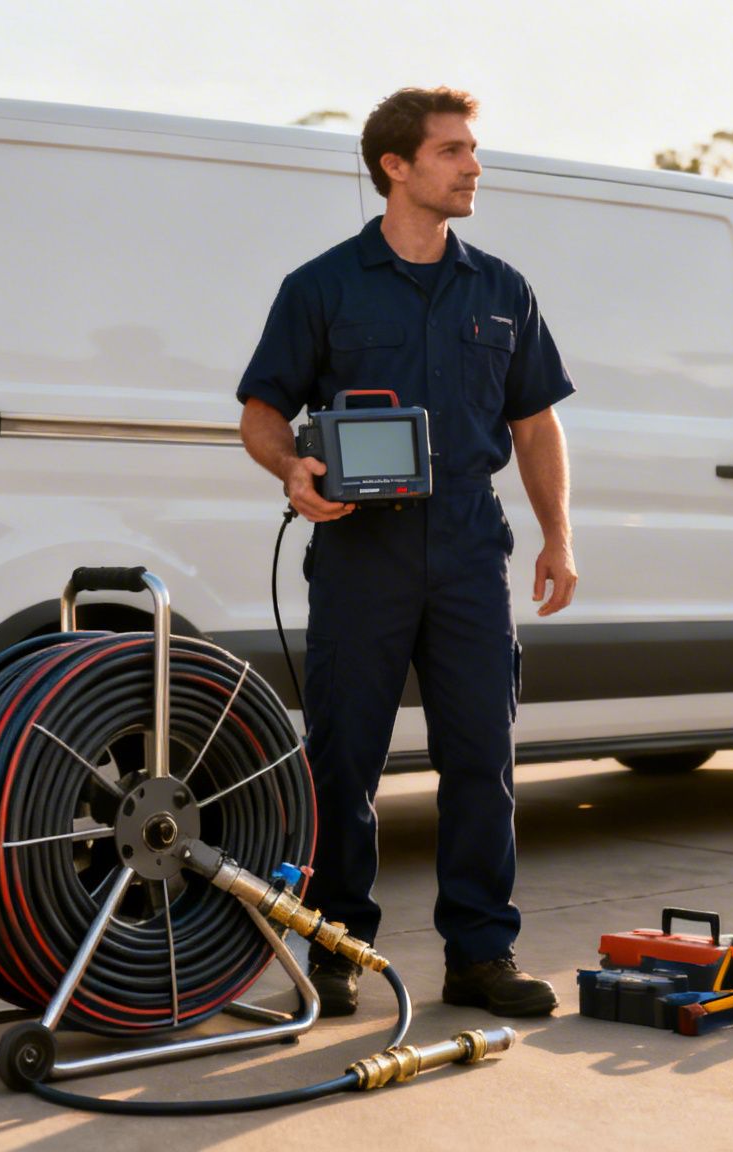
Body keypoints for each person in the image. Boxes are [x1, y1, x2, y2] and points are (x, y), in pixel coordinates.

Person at [235, 86, 577, 1018]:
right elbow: (261, 412)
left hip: (470, 545)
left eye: (474, 150)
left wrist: (557, 535)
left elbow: (536, 423)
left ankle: (480, 955)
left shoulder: (503, 290)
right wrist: (294, 472)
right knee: (343, 761)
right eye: (454, 151)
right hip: (361, 551)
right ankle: (337, 948)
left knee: (482, 757)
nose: (474, 166)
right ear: (396, 166)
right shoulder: (322, 287)